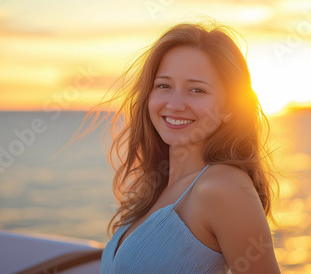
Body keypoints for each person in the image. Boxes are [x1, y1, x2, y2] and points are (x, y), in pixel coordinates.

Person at [73, 19, 281, 273]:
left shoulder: (223, 186)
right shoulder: (158, 185)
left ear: (229, 107)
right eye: (164, 85)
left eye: (196, 90)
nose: (175, 103)